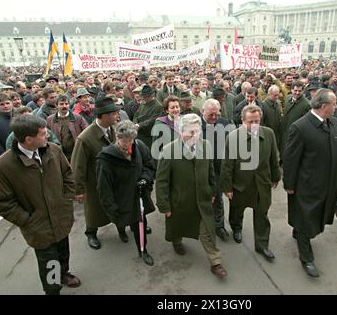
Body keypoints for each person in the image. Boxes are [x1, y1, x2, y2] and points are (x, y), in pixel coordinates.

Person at [0, 114, 80, 295]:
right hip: (38, 226)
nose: (47, 136)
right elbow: (3, 203)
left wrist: (66, 200)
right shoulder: (1, 167)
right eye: (42, 133)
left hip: (60, 217)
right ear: (28, 139)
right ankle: (53, 290)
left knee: (63, 250)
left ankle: (64, 273)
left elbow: (68, 175)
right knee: (48, 260)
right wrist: (28, 220)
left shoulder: (53, 150)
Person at [282, 89, 337, 277]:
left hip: (328, 183)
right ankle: (306, 257)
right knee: (306, 217)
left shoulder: (334, 123)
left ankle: (299, 232)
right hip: (307, 185)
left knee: (316, 214)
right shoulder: (300, 127)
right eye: (334, 103)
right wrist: (289, 184)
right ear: (324, 106)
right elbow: (290, 159)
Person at [156, 114, 228, 279]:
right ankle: (177, 241)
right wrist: (164, 205)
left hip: (202, 199)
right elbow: (161, 181)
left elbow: (211, 171)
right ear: (181, 132)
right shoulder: (168, 151)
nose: (194, 136)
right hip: (180, 201)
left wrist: (211, 191)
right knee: (178, 226)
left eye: (197, 132)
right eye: (190, 132)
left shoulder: (206, 145)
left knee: (207, 231)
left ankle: (215, 262)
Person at [221, 105, 280, 262]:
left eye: (257, 121)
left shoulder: (269, 134)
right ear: (242, 121)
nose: (254, 125)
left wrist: (276, 176)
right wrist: (227, 187)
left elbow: (274, 157)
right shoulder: (233, 137)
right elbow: (227, 165)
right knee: (237, 210)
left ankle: (262, 245)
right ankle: (236, 228)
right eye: (250, 122)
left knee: (262, 215)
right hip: (240, 185)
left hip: (262, 185)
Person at [96, 120, 156, 266]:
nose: (128, 144)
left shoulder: (139, 146)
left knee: (140, 224)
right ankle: (121, 230)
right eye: (124, 141)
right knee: (121, 219)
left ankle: (143, 250)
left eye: (131, 140)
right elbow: (104, 187)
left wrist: (144, 178)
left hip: (137, 196)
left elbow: (149, 165)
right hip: (119, 199)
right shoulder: (106, 158)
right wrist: (111, 208)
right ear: (117, 137)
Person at [71, 96, 121, 250]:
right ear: (104, 116)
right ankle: (91, 233)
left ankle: (120, 228)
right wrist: (78, 190)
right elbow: (77, 166)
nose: (117, 116)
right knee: (94, 211)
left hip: (113, 180)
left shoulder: (113, 129)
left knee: (115, 206)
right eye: (114, 114)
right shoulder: (85, 138)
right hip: (94, 183)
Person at [201, 99, 232, 241]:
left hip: (219, 170)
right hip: (200, 169)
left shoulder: (225, 123)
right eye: (211, 115)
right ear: (203, 112)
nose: (214, 118)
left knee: (217, 198)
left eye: (216, 114)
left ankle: (219, 226)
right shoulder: (195, 125)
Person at [46, 95, 89, 161]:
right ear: (56, 105)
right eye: (61, 104)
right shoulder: (50, 120)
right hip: (59, 155)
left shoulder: (77, 118)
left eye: (66, 104)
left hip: (75, 153)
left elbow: (86, 132)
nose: (64, 106)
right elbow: (47, 136)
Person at [280, 81, 310, 159]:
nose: (297, 93)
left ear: (303, 91)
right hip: (284, 131)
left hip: (295, 134)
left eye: (299, 91)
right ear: (292, 90)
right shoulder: (288, 98)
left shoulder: (306, 104)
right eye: (295, 90)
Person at [133, 85, 164, 150]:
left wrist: (139, 125)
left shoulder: (158, 106)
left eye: (145, 96)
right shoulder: (143, 103)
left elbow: (152, 120)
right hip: (139, 134)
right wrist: (135, 123)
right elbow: (136, 114)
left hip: (149, 137)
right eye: (142, 96)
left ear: (151, 96)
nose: (143, 98)